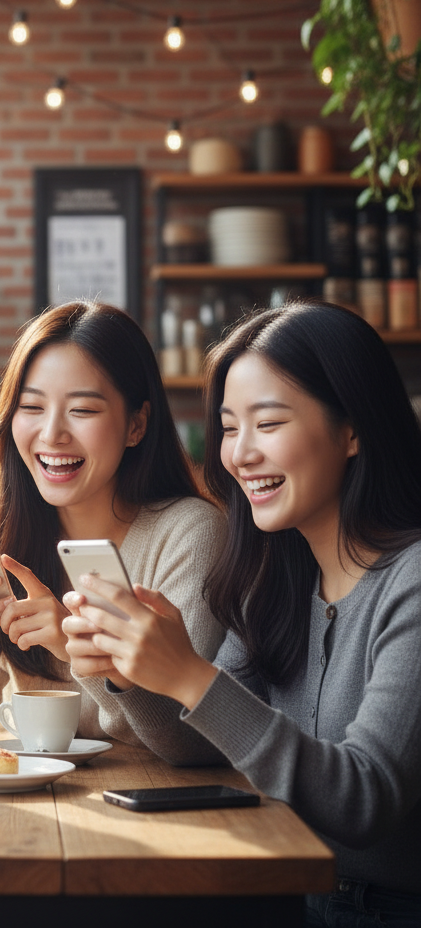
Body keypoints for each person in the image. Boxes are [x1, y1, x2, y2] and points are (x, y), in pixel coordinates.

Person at [62, 301, 421, 926]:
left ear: (353, 429)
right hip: (281, 897)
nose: (239, 454)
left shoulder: (411, 582)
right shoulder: (275, 581)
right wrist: (135, 673)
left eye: (269, 423)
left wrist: (190, 676)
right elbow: (197, 751)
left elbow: (364, 798)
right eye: (229, 427)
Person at [0, 300, 225, 747]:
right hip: (34, 800)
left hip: (157, 804)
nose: (52, 433)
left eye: (82, 410)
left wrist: (76, 649)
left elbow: (185, 739)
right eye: (31, 407)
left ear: (136, 425)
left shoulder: (188, 534)